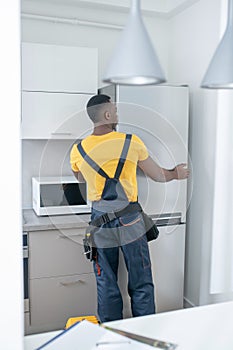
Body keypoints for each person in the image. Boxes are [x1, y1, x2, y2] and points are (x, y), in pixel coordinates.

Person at [70, 94, 189, 323]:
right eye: (114, 110)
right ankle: (144, 334)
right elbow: (158, 175)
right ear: (107, 115)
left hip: (99, 222)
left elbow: (81, 180)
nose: (117, 114)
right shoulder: (130, 141)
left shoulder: (79, 150)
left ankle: (110, 337)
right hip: (131, 220)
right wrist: (177, 173)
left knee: (106, 282)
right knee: (141, 280)